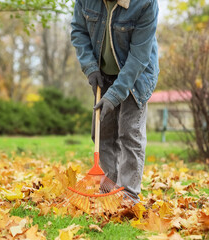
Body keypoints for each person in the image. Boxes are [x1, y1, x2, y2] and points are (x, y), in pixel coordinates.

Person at [71, 0, 159, 202]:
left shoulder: (145, 4)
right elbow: (78, 30)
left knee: (129, 132)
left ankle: (128, 195)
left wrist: (115, 95)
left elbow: (138, 57)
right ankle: (108, 191)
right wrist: (90, 67)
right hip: (103, 73)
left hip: (137, 75)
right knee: (102, 133)